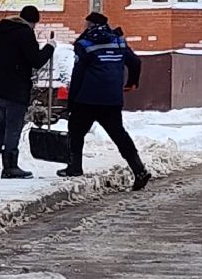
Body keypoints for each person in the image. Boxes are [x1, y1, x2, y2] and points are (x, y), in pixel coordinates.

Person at [59, 13, 151, 190]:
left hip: (87, 99)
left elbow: (77, 75)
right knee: (119, 135)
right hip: (112, 100)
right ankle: (139, 169)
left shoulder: (85, 44)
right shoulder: (119, 41)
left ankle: (75, 167)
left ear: (90, 25)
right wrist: (132, 82)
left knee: (76, 132)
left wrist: (71, 103)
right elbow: (136, 62)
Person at [0, 4, 55, 179]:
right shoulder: (24, 33)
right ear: (32, 22)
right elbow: (36, 60)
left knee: (2, 126)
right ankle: (10, 166)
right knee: (13, 127)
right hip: (16, 88)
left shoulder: (4, 31)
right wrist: (50, 47)